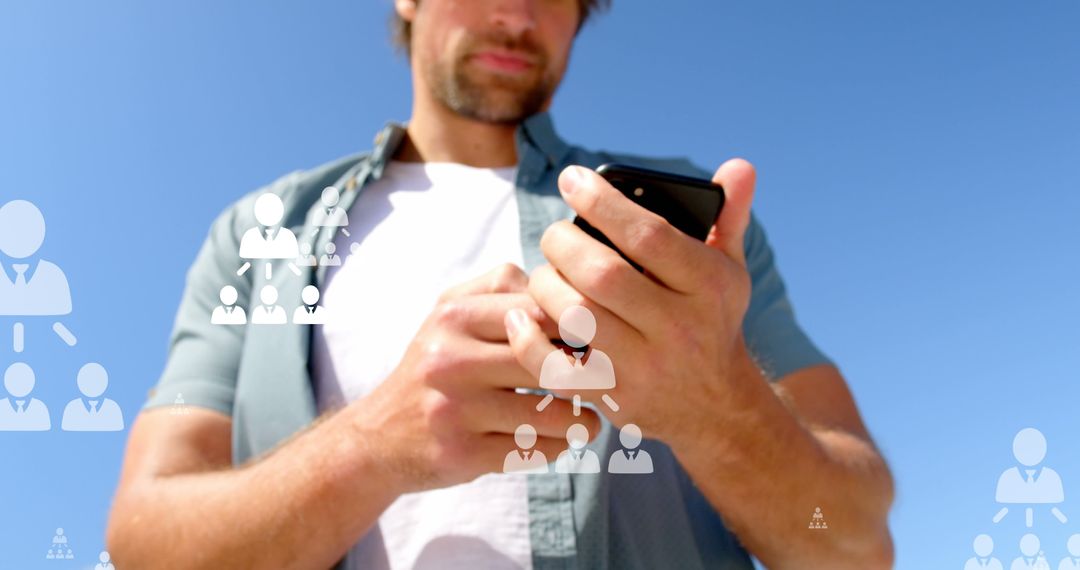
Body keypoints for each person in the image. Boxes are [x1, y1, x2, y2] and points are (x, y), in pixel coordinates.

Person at [107, 1, 894, 568]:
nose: (519, 15)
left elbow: (851, 544)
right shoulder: (259, 234)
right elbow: (146, 541)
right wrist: (373, 447)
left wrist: (716, 410)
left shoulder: (689, 233)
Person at [61, 362, 124, 432]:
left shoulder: (113, 409)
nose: (92, 384)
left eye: (97, 380)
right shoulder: (72, 408)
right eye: (87, 379)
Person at [0, 362, 51, 431]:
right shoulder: (2, 407)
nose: (19, 383)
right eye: (15, 380)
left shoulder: (40, 408)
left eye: (23, 379)